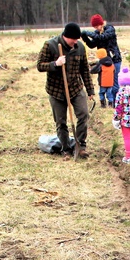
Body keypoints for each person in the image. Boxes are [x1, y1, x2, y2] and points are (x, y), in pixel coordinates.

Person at [37, 23, 95, 160]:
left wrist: (90, 89)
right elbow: (39, 65)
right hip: (56, 91)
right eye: (73, 39)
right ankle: (66, 149)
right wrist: (55, 64)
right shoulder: (50, 45)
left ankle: (80, 146)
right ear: (65, 36)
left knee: (83, 114)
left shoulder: (80, 47)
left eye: (77, 39)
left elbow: (85, 70)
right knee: (61, 121)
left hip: (75, 88)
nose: (75, 42)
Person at [81, 14, 121, 105]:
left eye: (97, 26)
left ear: (101, 23)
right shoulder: (96, 33)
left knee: (114, 83)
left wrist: (88, 32)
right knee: (104, 82)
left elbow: (102, 37)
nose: (96, 28)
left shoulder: (110, 29)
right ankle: (107, 100)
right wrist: (84, 37)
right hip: (104, 61)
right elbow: (92, 44)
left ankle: (115, 102)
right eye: (94, 27)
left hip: (114, 59)